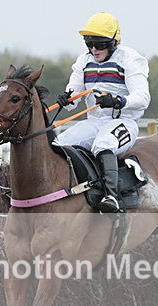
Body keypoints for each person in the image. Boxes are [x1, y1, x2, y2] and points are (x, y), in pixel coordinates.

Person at [55, 12, 150, 213]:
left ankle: (112, 197)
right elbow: (75, 97)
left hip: (123, 122)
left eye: (99, 44)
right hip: (94, 122)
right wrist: (67, 99)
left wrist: (118, 101)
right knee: (57, 145)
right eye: (89, 43)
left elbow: (143, 98)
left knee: (103, 144)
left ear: (114, 42)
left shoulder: (131, 59)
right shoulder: (83, 61)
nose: (94, 49)